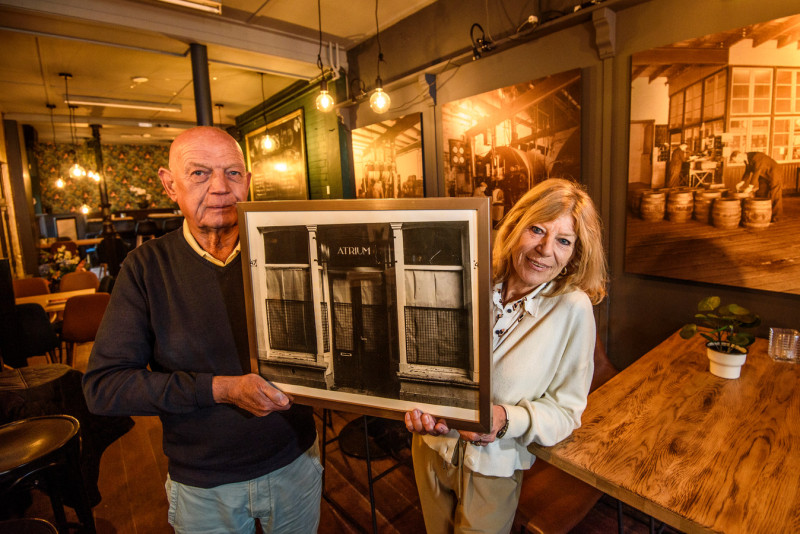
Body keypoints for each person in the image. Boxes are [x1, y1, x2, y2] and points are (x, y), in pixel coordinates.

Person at [82, 127, 321, 534]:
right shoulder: (146, 268)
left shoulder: (291, 250)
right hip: (204, 485)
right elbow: (105, 387)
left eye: (232, 172)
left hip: (294, 463)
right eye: (199, 173)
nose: (219, 188)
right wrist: (221, 388)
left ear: (249, 182)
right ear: (169, 184)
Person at [405, 178, 607, 534]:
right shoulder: (472, 276)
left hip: (494, 469)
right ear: (515, 227)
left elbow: (566, 412)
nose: (545, 249)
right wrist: (413, 403)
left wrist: (506, 418)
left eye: (563, 240)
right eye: (537, 229)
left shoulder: (573, 309)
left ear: (575, 253)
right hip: (430, 448)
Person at [730, 150, 782, 222]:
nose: (737, 162)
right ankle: (763, 213)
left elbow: (756, 172)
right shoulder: (746, 160)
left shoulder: (757, 157)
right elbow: (748, 171)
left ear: (740, 156)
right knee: (761, 192)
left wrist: (750, 187)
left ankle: (775, 217)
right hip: (763, 174)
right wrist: (741, 182)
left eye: (736, 160)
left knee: (775, 194)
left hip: (774, 172)